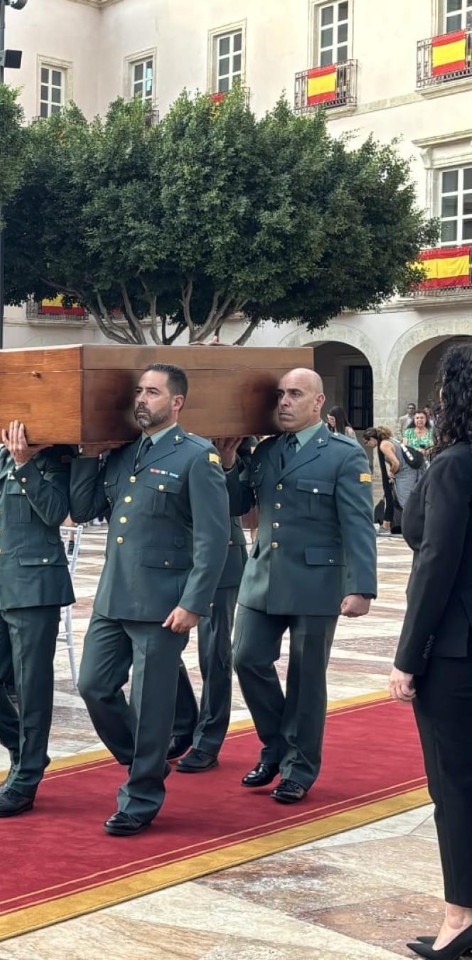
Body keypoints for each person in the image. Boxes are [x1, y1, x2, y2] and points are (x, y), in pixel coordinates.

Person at [69, 363, 230, 836]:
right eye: (139, 391)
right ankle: (147, 760)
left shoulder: (198, 457)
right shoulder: (123, 454)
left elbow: (213, 539)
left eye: (153, 392)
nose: (142, 399)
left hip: (164, 604)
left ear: (176, 402)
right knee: (93, 686)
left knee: (151, 703)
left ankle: (140, 797)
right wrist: (86, 455)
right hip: (114, 595)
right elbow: (83, 510)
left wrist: (193, 603)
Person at [225, 367, 376, 805]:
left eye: (295, 394)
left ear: (318, 402)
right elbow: (239, 504)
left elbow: (358, 525)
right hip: (263, 575)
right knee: (246, 659)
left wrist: (361, 586)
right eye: (280, 395)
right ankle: (276, 746)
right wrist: (233, 461)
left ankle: (299, 768)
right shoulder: (268, 451)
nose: (285, 402)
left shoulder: (344, 454)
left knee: (306, 679)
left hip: (317, 580)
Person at [388, 344, 472, 960]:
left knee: (456, 787)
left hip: (458, 654)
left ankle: (460, 918)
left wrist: (407, 656)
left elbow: (431, 559)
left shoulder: (455, 465)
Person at [0, 421, 73, 817]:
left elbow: (57, 513)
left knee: (31, 685)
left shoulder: (55, 456)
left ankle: (25, 778)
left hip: (35, 584)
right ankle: (23, 751)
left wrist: (25, 465)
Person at [170, 437, 254, 772]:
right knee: (159, 644)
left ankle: (208, 738)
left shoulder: (233, 434)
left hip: (221, 559)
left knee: (214, 654)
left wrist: (229, 462)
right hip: (170, 555)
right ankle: (183, 720)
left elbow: (239, 501)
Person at [363, 425, 402, 536]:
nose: (367, 446)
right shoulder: (385, 442)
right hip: (403, 473)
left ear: (371, 439)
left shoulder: (383, 445)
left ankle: (386, 526)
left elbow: (396, 463)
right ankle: (386, 525)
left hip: (404, 474)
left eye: (367, 443)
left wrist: (391, 472)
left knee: (396, 500)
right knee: (389, 497)